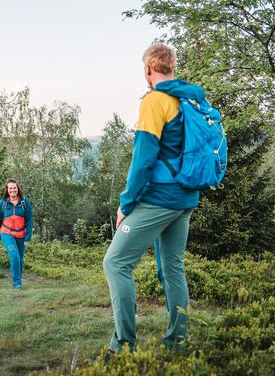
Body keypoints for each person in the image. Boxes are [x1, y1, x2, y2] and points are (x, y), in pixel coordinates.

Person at [103, 43, 202, 353]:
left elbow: (143, 161)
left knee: (116, 262)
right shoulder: (188, 100)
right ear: (172, 68)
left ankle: (123, 345)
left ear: (148, 70)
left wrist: (125, 204)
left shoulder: (155, 101)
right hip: (186, 198)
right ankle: (178, 341)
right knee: (173, 267)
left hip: (160, 198)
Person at [0, 179, 33, 290]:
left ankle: (18, 279)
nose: (12, 190)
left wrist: (28, 237)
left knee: (20, 259)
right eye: (10, 188)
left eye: (14, 188)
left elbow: (29, 220)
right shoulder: (3, 203)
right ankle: (17, 284)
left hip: (21, 234)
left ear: (18, 188)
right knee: (14, 255)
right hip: (6, 233)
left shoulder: (25, 202)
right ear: (7, 190)